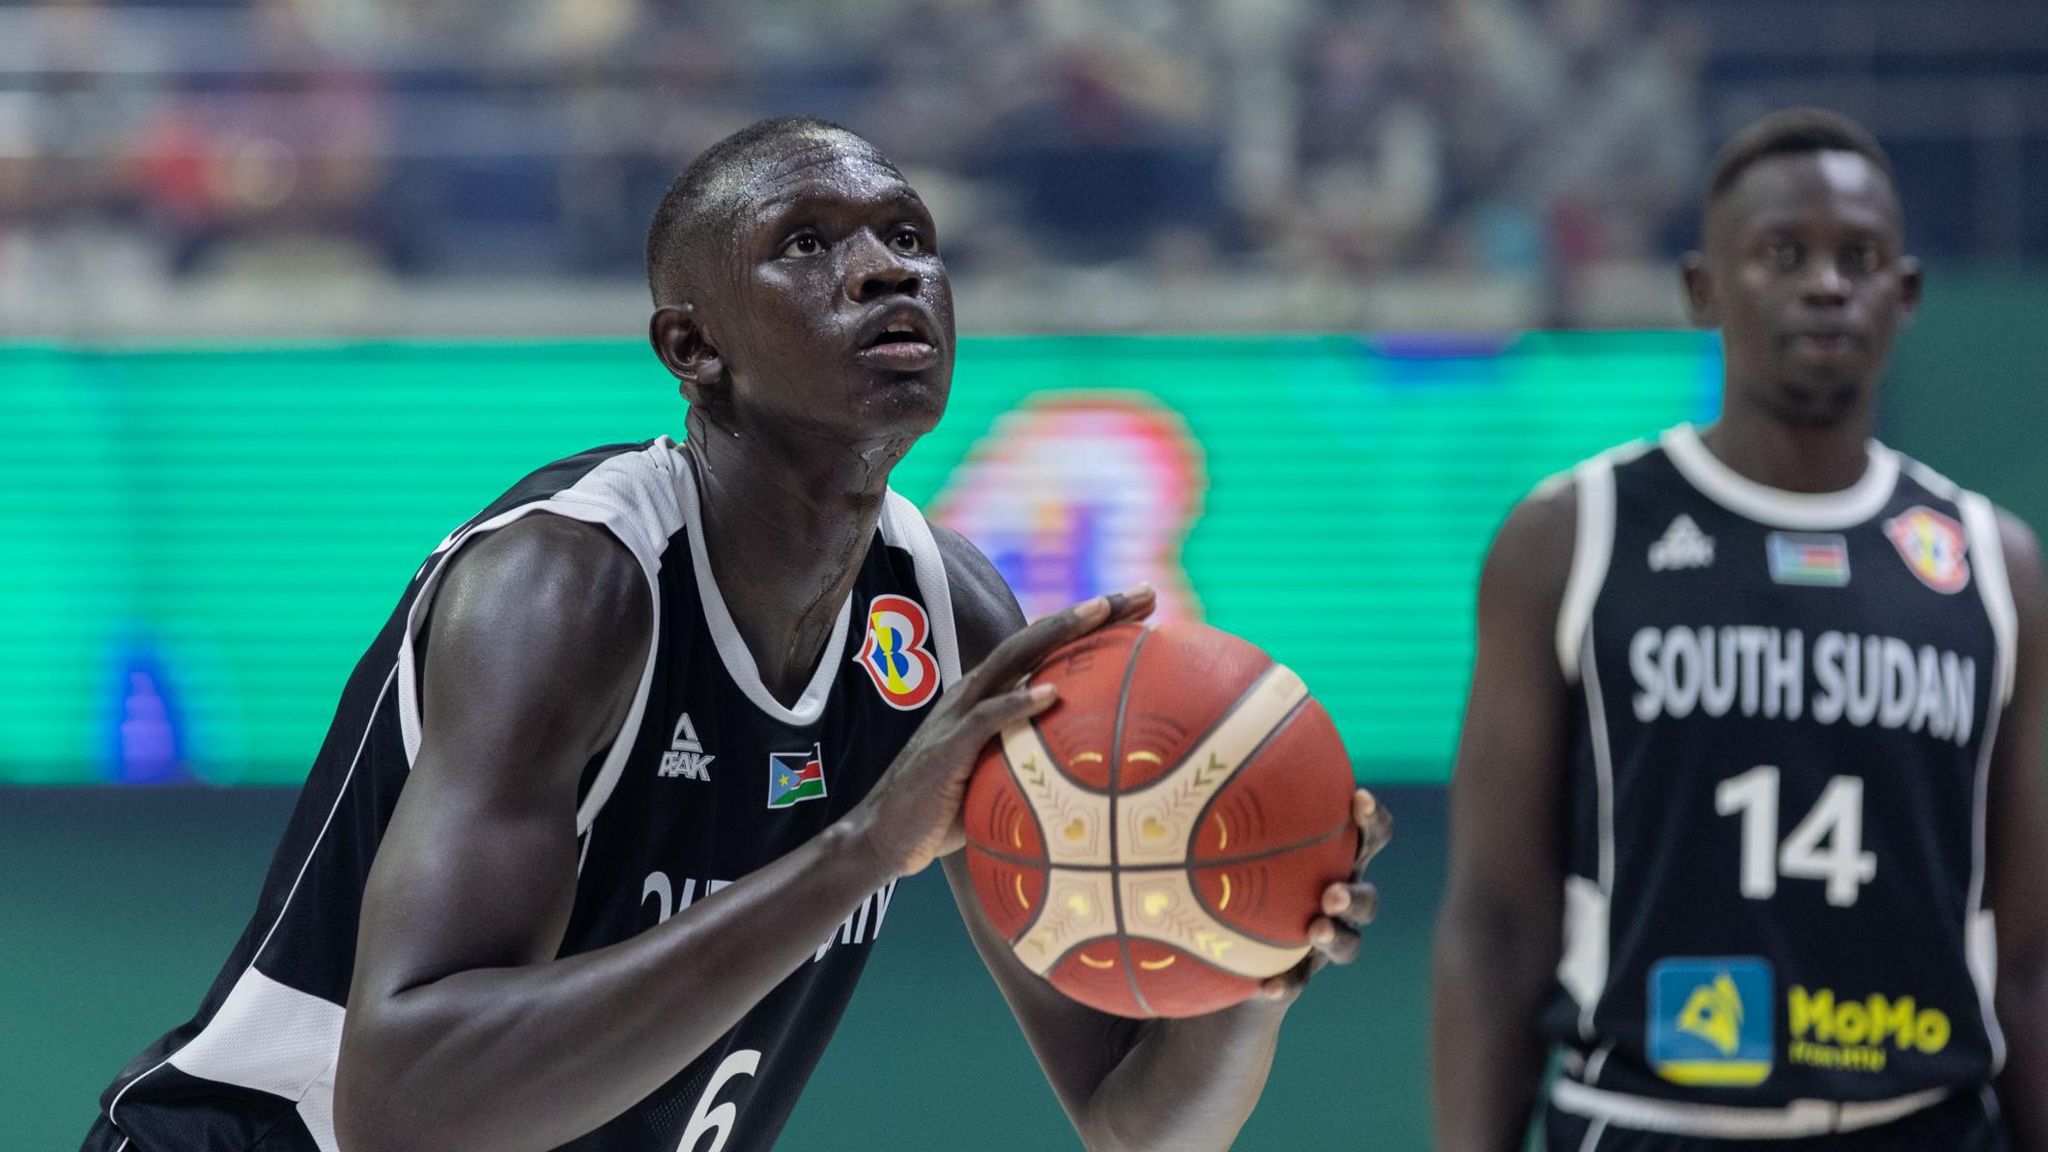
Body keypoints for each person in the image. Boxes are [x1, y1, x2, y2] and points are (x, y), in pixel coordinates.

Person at [81, 116, 1389, 1152]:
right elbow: (406, 1109)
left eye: (907, 234)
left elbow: (1135, 1124)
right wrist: (864, 849)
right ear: (692, 348)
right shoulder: (570, 588)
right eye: (807, 243)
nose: (885, 267)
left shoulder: (946, 612)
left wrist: (1252, 943)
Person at [1432, 108, 2048, 1151]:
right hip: (1646, 1114)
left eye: (1856, 258)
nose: (1823, 284)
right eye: (1780, 253)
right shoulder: (1569, 538)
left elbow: (2031, 957)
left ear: (1903, 296)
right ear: (1701, 290)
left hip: (1923, 1120)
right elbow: (1494, 930)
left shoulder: (1994, 566)